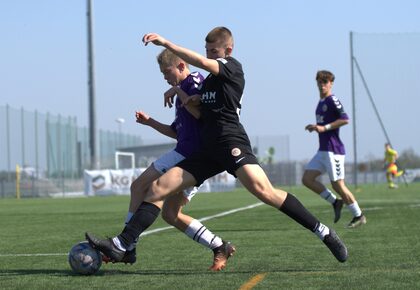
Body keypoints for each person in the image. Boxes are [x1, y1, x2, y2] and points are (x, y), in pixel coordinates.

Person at [86, 27, 348, 271]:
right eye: (207, 50)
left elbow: (201, 65)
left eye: (214, 51)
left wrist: (166, 43)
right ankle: (122, 245)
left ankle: (324, 232)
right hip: (207, 151)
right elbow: (203, 103)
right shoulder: (210, 82)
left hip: (230, 142)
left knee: (264, 192)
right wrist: (190, 97)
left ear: (227, 52)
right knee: (156, 189)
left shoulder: (233, 68)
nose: (209, 55)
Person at [103, 48, 231, 269]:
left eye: (167, 72)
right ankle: (220, 246)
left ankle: (126, 245)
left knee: (139, 186)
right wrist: (150, 122)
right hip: (186, 153)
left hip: (190, 156)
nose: (165, 77)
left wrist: (177, 90)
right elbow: (177, 132)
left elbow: (201, 114)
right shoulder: (182, 87)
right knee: (171, 214)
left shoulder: (195, 81)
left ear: (181, 66)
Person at [302, 70, 366, 229]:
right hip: (323, 150)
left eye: (325, 82)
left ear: (331, 84)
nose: (322, 85)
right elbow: (323, 126)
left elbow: (345, 119)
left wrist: (324, 128)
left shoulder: (332, 100)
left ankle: (359, 215)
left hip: (334, 150)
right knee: (307, 179)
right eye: (320, 82)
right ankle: (335, 202)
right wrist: (315, 127)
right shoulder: (320, 103)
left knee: (338, 185)